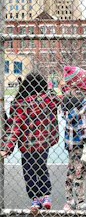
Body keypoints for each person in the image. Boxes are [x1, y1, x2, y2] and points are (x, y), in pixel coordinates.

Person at [0, 73, 60, 210]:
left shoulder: (20, 103)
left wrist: (6, 148)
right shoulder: (49, 99)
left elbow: (14, 127)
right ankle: (45, 195)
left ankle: (35, 198)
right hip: (43, 142)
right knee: (41, 167)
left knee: (29, 172)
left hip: (27, 145)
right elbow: (53, 94)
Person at [61, 66, 86, 210]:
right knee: (80, 172)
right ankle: (81, 202)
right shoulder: (83, 99)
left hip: (70, 141)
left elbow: (69, 117)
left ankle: (69, 201)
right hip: (81, 142)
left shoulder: (67, 97)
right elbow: (82, 122)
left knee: (70, 170)